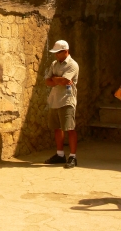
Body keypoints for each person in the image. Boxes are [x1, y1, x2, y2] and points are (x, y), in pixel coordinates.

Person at [44, 40, 80, 169]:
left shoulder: (72, 65)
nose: (56, 55)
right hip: (55, 100)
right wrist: (57, 80)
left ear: (65, 51)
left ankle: (73, 156)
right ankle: (60, 154)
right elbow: (47, 81)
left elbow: (65, 81)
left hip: (67, 100)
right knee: (57, 128)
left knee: (70, 128)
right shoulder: (54, 64)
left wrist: (55, 78)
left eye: (58, 52)